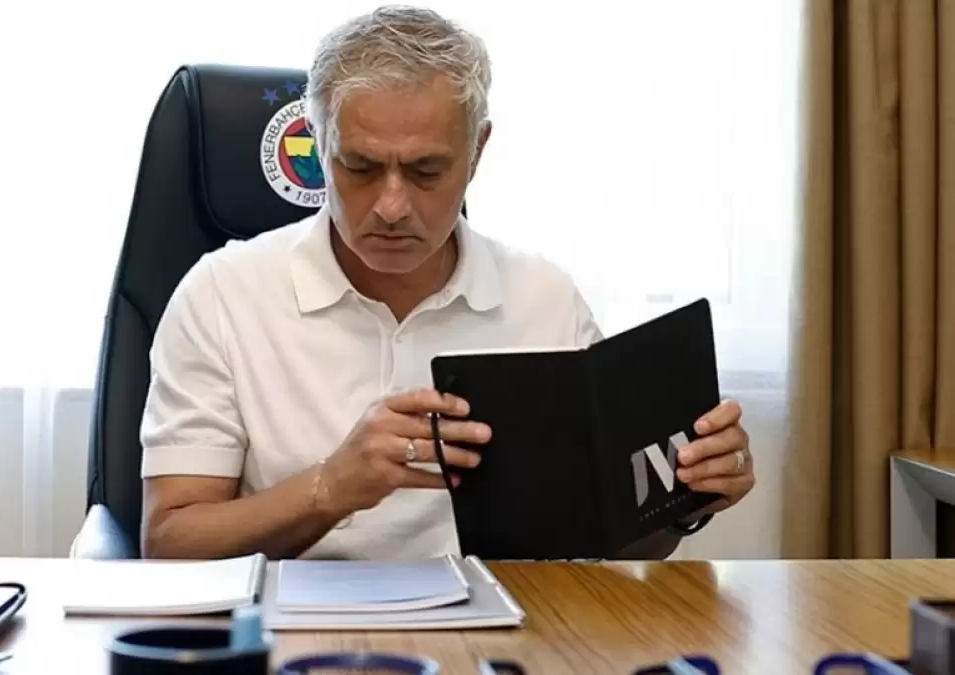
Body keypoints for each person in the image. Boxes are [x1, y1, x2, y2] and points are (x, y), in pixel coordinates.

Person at [139, 5, 755, 561]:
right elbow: (169, 542)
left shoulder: (544, 300)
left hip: (504, 624)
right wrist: (333, 486)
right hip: (293, 627)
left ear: (477, 151)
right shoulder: (221, 295)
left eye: (426, 171)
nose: (391, 206)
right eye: (360, 166)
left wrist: (686, 498)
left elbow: (611, 542)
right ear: (319, 144)